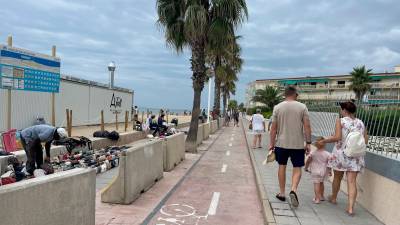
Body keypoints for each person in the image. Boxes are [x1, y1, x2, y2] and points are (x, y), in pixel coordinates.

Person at [322, 101, 367, 216]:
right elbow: (365, 140)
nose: (340, 111)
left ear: (344, 111)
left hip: (341, 154)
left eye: (341, 109)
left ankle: (333, 197)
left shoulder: (340, 121)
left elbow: (337, 137)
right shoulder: (360, 123)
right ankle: (351, 208)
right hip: (355, 156)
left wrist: (325, 140)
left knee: (337, 177)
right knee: (352, 182)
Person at [269, 85, 312, 207]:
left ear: (285, 95)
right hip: (298, 144)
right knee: (297, 167)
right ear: (294, 94)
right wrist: (308, 143)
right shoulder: (302, 107)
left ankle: (282, 193)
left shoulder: (277, 107)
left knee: (281, 166)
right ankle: (293, 189)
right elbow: (307, 126)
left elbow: (273, 129)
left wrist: (271, 145)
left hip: (281, 144)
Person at [305, 137, 332, 204]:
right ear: (325, 144)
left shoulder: (313, 153)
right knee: (321, 183)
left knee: (316, 184)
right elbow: (330, 163)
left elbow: (308, 160)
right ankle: (322, 196)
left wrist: (306, 167)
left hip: (315, 170)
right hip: (324, 171)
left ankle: (317, 198)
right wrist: (330, 171)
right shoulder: (327, 154)